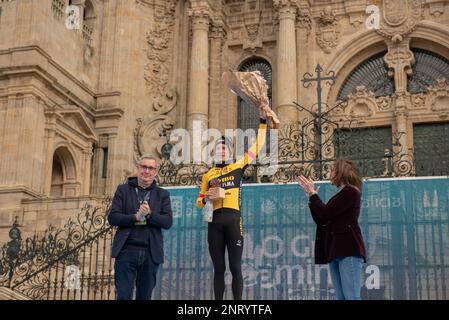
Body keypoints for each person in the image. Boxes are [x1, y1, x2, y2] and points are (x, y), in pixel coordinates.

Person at [196, 113, 267, 300]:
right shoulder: (208, 175)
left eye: (224, 149)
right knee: (219, 268)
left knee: (235, 266)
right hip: (214, 222)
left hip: (234, 221)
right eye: (218, 149)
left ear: (229, 152)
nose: (221, 151)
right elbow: (199, 201)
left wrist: (262, 121)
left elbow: (257, 146)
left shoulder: (237, 166)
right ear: (214, 153)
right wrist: (206, 198)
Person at [298, 159, 366, 300]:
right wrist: (311, 197)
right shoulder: (343, 194)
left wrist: (313, 195)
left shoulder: (351, 192)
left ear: (340, 172)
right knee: (341, 297)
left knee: (351, 297)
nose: (330, 174)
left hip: (348, 251)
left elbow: (325, 213)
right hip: (336, 251)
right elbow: (323, 220)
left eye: (332, 170)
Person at [108, 155, 173, 300]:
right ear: (138, 168)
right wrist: (135, 217)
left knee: (144, 297)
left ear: (155, 172)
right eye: (144, 167)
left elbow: (167, 222)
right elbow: (113, 218)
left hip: (150, 253)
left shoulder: (162, 194)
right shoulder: (123, 190)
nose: (147, 171)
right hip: (126, 251)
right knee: (123, 296)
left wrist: (149, 214)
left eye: (151, 168)